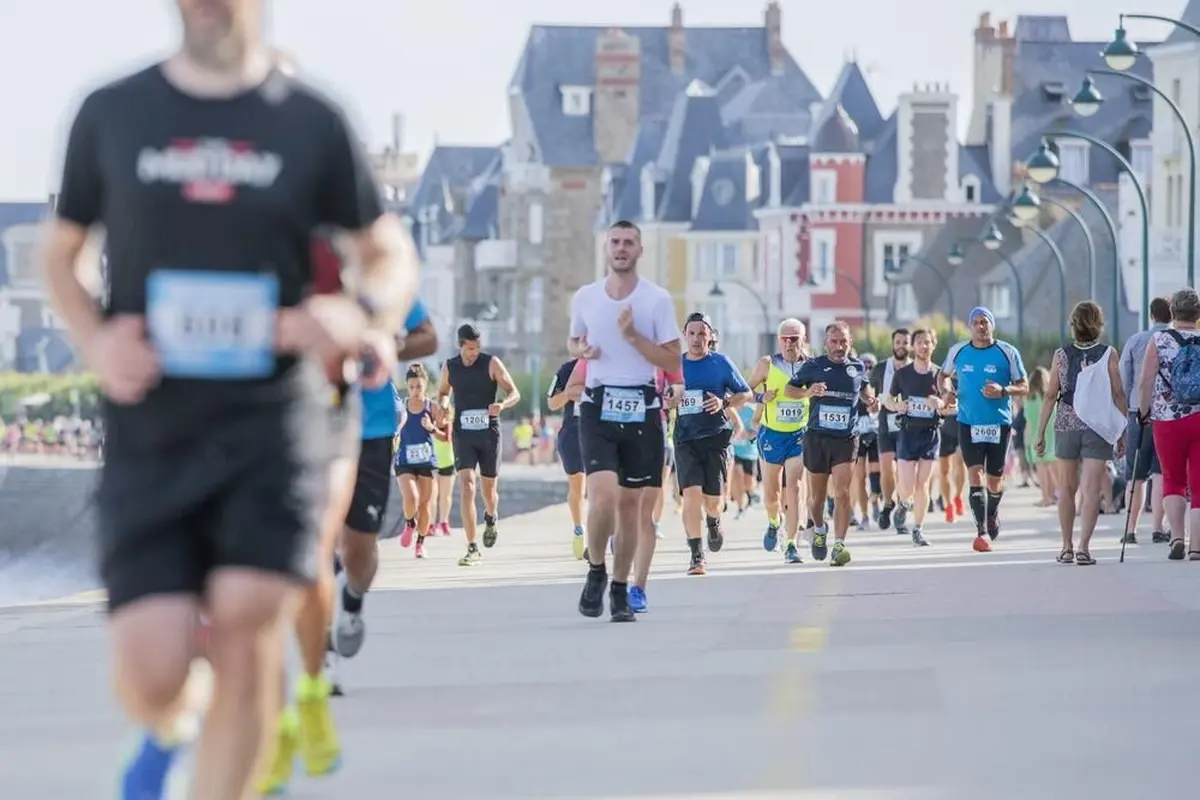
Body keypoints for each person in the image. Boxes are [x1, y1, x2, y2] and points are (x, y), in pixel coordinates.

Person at [41, 3, 420, 796]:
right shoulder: (114, 112)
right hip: (155, 426)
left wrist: (364, 313)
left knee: (249, 619)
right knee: (151, 673)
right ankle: (177, 717)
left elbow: (386, 250)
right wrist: (97, 338)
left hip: (269, 422)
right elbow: (62, 251)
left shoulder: (311, 122)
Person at [569, 220, 680, 621]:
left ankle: (620, 589)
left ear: (639, 250)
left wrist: (634, 337)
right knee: (601, 497)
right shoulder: (586, 296)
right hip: (598, 405)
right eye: (614, 242)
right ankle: (596, 570)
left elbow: (671, 359)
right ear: (605, 248)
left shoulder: (657, 300)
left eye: (628, 243)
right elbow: (573, 340)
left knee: (632, 507)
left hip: (642, 406)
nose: (620, 248)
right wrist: (580, 349)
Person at [332, 298, 438, 660]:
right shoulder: (293, 262)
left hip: (370, 426)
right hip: (311, 418)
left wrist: (385, 345)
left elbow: (429, 338)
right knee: (316, 541)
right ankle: (319, 658)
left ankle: (351, 598)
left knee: (359, 551)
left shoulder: (380, 276)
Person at [1033, 302, 1126, 565]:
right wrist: (1122, 430)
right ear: (1099, 324)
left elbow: (1051, 395)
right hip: (1098, 427)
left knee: (1066, 487)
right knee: (1092, 489)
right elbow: (1118, 394)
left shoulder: (1061, 355)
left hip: (1066, 425)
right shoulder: (1109, 354)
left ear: (1073, 324)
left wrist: (1040, 432)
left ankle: (1066, 546)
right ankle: (1084, 547)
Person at [665, 312, 753, 578]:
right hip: (685, 439)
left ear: (710, 336)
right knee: (690, 495)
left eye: (701, 334)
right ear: (684, 335)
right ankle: (696, 555)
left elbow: (746, 394)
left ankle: (714, 521)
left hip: (716, 438)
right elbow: (664, 396)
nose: (696, 339)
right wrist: (669, 400)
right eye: (691, 333)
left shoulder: (721, 363)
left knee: (714, 503)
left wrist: (723, 403)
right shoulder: (675, 367)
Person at [784, 321, 878, 566]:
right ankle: (820, 528)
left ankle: (839, 545)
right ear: (826, 343)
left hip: (846, 439)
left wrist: (871, 401)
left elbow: (866, 391)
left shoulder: (857, 367)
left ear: (850, 343)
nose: (839, 347)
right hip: (818, 437)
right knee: (816, 498)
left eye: (843, 342)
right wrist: (807, 392)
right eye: (834, 342)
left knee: (843, 492)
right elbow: (789, 390)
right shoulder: (814, 366)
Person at [941, 307, 1028, 553]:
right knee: (975, 475)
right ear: (970, 326)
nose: (981, 326)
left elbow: (1024, 385)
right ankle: (981, 531)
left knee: (994, 480)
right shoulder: (958, 351)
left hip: (999, 424)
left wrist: (1003, 390)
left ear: (992, 325)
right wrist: (947, 391)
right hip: (969, 423)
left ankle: (992, 513)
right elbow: (943, 375)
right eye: (976, 322)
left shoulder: (1007, 352)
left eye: (985, 322)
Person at [437, 324, 521, 565]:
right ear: (460, 345)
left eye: (477, 348)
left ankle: (491, 516)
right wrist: (442, 404)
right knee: (467, 486)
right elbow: (442, 392)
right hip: (463, 433)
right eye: (470, 348)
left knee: (489, 492)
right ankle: (472, 546)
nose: (474, 353)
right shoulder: (450, 366)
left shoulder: (492, 363)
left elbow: (514, 392)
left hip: (489, 434)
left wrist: (502, 405)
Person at [1137, 288, 1200, 561]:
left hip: (1166, 420)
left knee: (1172, 479)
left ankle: (1176, 536)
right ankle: (1197, 546)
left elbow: (1145, 381)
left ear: (1172, 312)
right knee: (1199, 485)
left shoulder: (1159, 340)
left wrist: (1143, 412)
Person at [744, 319, 810, 564]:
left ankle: (791, 544)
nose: (789, 343)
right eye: (785, 338)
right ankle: (774, 522)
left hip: (798, 434)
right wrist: (762, 395)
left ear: (803, 339)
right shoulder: (767, 364)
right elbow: (745, 391)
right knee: (771, 494)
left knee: (795, 487)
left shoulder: (811, 366)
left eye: (794, 338)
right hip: (772, 434)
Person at [884, 328, 944, 546]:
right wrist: (897, 405)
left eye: (927, 342)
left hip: (929, 434)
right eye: (919, 342)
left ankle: (918, 529)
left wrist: (941, 404)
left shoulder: (939, 375)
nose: (924, 346)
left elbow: (952, 403)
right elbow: (888, 400)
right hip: (908, 434)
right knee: (907, 487)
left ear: (933, 345)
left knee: (923, 485)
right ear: (913, 346)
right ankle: (902, 504)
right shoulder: (903, 374)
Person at [1120, 296, 1172, 545]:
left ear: (1151, 315)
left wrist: (1127, 409)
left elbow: (1125, 380)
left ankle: (1130, 529)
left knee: (1135, 474)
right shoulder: (1177, 341)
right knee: (1161, 472)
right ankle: (1158, 528)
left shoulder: (1136, 341)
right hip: (1168, 414)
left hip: (1136, 413)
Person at [392, 364, 440, 560]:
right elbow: (392, 430)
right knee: (411, 497)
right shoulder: (401, 407)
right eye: (411, 387)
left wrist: (431, 428)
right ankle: (409, 522)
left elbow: (447, 436)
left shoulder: (432, 407)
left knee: (425, 504)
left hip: (426, 460)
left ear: (425, 385)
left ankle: (420, 544)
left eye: (419, 387)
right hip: (404, 459)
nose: (415, 391)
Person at [869, 329, 912, 530]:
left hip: (909, 424)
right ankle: (888, 503)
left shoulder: (915, 368)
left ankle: (902, 510)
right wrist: (872, 404)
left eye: (905, 342)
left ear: (910, 345)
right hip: (886, 421)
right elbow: (870, 394)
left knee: (904, 472)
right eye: (898, 342)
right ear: (892, 344)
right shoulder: (879, 369)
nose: (901, 345)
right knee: (887, 468)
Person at [547, 357, 587, 558]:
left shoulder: (610, 365)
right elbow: (552, 403)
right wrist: (569, 393)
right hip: (573, 433)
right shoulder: (567, 369)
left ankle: (610, 532)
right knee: (577, 486)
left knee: (605, 486)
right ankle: (579, 529)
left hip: (603, 432)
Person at [1023, 369, 1058, 507]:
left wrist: (1027, 440)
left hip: (1036, 437)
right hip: (1052, 437)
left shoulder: (1029, 399)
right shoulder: (1049, 397)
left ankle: (1046, 497)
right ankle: (1056, 495)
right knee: (1054, 471)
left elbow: (1029, 422)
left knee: (1042, 470)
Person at [431, 404, 456, 537]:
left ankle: (444, 522)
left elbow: (447, 438)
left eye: (442, 411)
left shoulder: (449, 425)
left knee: (445, 496)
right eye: (437, 411)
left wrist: (433, 429)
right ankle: (431, 524)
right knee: (432, 496)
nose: (440, 414)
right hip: (432, 464)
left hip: (447, 463)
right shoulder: (429, 424)